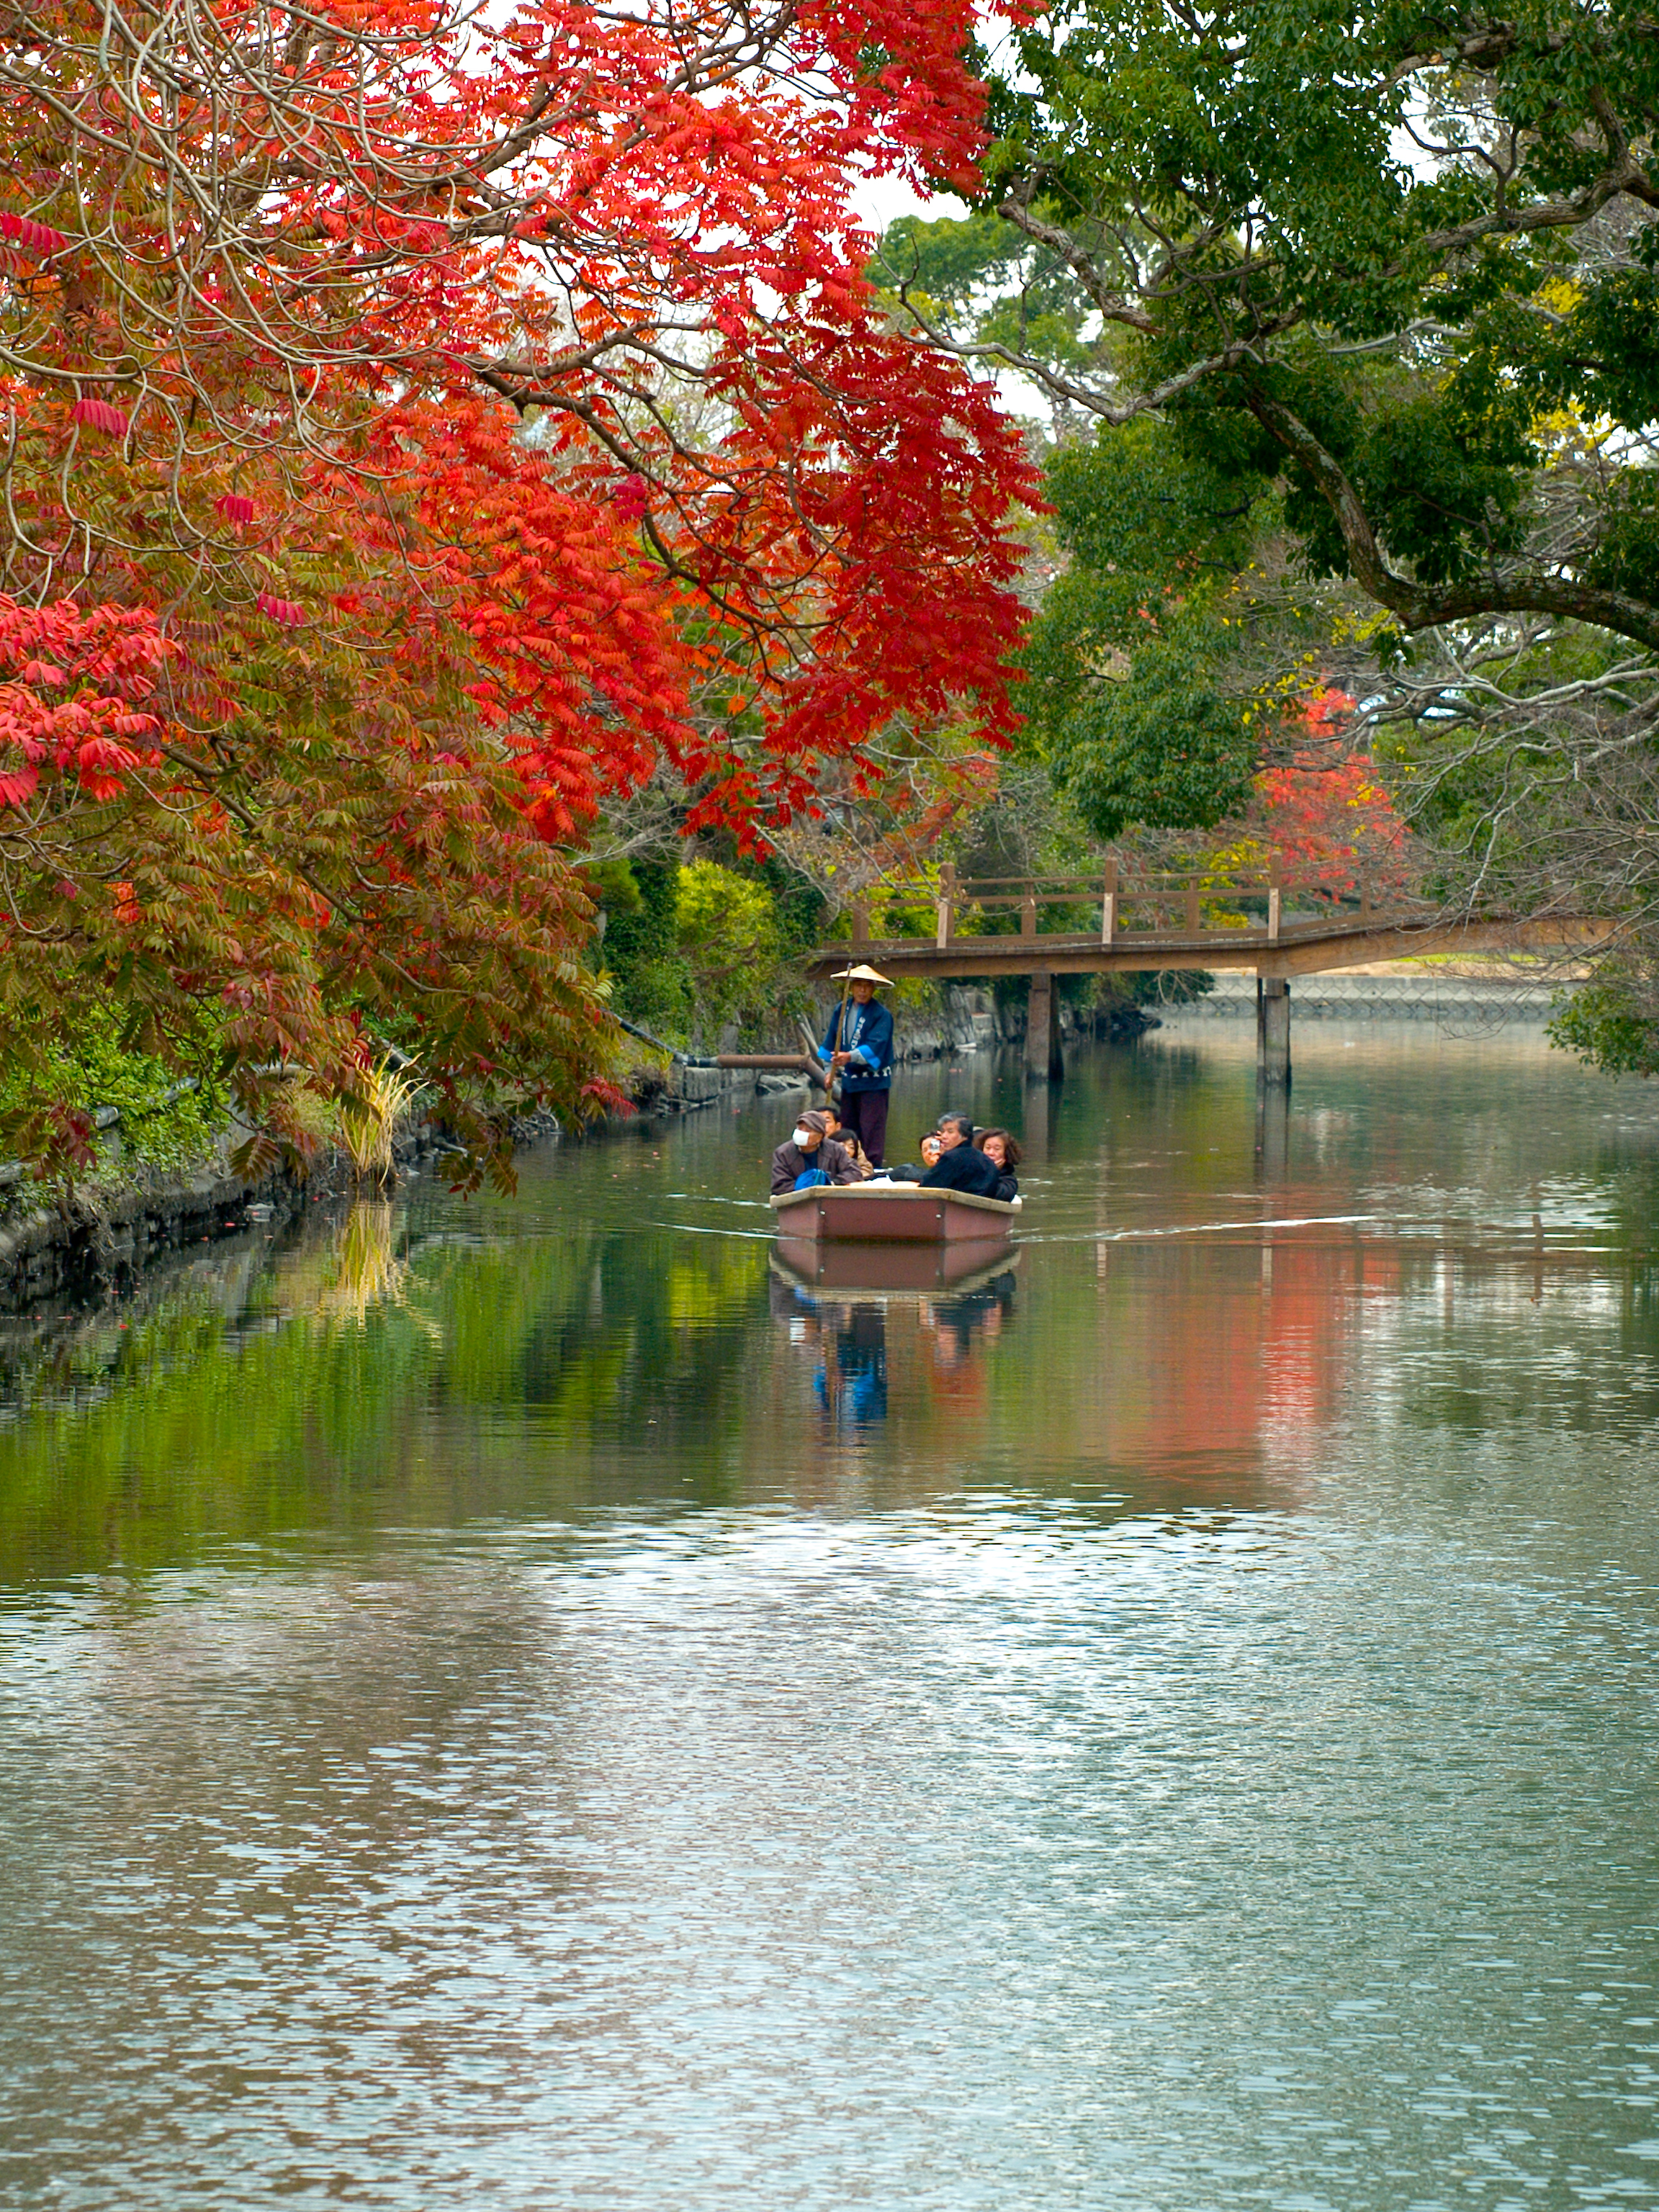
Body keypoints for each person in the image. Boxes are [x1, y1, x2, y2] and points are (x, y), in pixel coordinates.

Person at [818, 964, 895, 1168]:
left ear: (873, 989)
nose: (862, 990)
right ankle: (845, 1167)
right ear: (851, 987)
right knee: (848, 1129)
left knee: (872, 1130)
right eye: (858, 985)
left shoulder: (881, 1015)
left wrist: (850, 1057)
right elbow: (831, 1042)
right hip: (850, 1082)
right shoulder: (841, 1009)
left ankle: (872, 1168)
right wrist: (829, 1071)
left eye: (867, 986)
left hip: (874, 1083)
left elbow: (877, 1045)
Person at [770, 1108, 859, 1195]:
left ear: (819, 1137)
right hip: (796, 1201)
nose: (802, 1133)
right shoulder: (783, 1153)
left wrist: (831, 1184)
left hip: (828, 1198)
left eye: (808, 1131)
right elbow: (779, 1186)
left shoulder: (835, 1149)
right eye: (800, 1129)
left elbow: (854, 1172)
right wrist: (803, 1188)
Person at [918, 1112, 1003, 1198]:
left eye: (950, 1132)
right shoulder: (988, 1162)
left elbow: (926, 1187)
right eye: (943, 1132)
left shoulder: (951, 1158)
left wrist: (938, 1163)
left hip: (956, 1208)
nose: (944, 1136)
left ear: (965, 1135)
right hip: (983, 1209)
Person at [822, 1103, 875, 1180]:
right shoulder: (810, 1145)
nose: (822, 1125)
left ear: (837, 1126)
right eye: (818, 1122)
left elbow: (865, 1169)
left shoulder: (850, 1142)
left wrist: (851, 1177)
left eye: (827, 1121)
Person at [979, 1128, 1022, 1203]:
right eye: (988, 1148)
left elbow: (994, 1195)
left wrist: (992, 1171)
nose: (991, 1153)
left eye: (997, 1149)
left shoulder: (1009, 1182)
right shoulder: (972, 1171)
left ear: (1006, 1153)